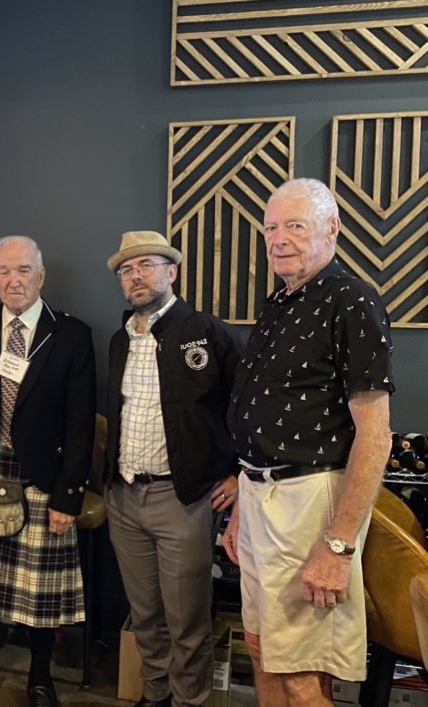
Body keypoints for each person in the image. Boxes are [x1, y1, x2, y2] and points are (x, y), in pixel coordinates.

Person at [223, 178, 394, 707]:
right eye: (271, 228)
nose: (278, 239)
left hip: (309, 503)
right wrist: (243, 501)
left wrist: (338, 546)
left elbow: (376, 437)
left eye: (295, 226)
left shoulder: (352, 301)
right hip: (259, 496)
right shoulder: (279, 301)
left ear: (331, 229)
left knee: (302, 675)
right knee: (261, 648)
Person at [0, 235, 96, 707]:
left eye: (24, 270)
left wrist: (67, 497)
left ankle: (39, 678)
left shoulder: (71, 333)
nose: (14, 280)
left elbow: (79, 422)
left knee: (40, 592)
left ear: (41, 275)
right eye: (4, 271)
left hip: (43, 477)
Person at [102, 231, 242, 707]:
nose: (135, 276)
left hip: (182, 499)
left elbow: (246, 407)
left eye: (146, 265)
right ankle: (155, 694)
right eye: (127, 270)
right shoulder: (120, 339)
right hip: (124, 497)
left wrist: (238, 474)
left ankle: (189, 701)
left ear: (172, 272)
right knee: (145, 615)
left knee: (187, 621)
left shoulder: (207, 332)